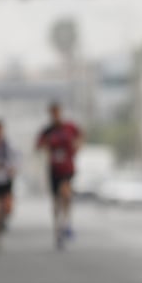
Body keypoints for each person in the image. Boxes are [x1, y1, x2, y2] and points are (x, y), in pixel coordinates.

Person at [35, 101, 83, 246]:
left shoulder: (69, 127)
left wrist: (77, 147)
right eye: (52, 113)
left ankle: (67, 222)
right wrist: (47, 149)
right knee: (56, 201)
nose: (55, 115)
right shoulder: (47, 131)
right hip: (54, 168)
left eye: (57, 112)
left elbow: (80, 136)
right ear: (50, 114)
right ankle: (58, 228)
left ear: (60, 113)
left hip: (67, 167)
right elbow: (38, 146)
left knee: (66, 193)